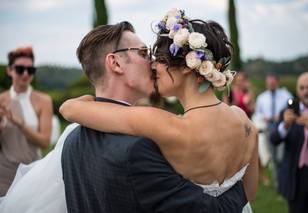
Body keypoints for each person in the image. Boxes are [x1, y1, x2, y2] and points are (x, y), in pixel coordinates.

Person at [0, 19, 249, 213]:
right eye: (143, 53)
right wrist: (239, 179)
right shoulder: (140, 148)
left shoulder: (71, 137)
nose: (153, 62)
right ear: (116, 64)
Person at [60, 9, 258, 212]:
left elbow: (69, 108)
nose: (153, 65)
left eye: (160, 58)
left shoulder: (164, 125)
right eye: (145, 54)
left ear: (188, 66)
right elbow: (248, 193)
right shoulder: (246, 124)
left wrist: (81, 101)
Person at [0, 47, 53, 196]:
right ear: (9, 70)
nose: (25, 74)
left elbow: (45, 143)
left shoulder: (43, 101)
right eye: (20, 69)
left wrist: (20, 124)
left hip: (32, 172)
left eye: (30, 70)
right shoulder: (1, 100)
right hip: (3, 174)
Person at [270, 72, 308, 213]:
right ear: (297, 90)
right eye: (302, 88)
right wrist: (285, 126)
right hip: (295, 177)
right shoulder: (288, 112)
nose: (306, 91)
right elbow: (274, 139)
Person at [253, 73, 292, 186]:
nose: (271, 84)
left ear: (277, 82)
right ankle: (277, 183)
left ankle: (286, 180)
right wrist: (265, 118)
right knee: (273, 158)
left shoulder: (286, 95)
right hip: (268, 129)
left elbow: (292, 109)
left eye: (273, 82)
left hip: (283, 128)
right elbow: (257, 114)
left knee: (282, 156)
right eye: (269, 83)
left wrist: (281, 116)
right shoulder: (262, 98)